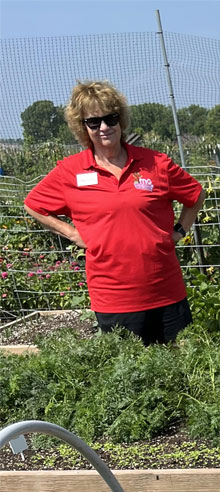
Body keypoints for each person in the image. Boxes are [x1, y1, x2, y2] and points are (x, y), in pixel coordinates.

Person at [24, 81, 205, 345]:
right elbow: (33, 204)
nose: (104, 128)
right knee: (127, 376)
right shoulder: (70, 171)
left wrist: (179, 231)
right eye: (94, 122)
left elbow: (195, 194)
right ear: (83, 128)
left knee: (181, 371)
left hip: (166, 291)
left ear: (121, 119)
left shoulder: (156, 163)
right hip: (114, 298)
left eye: (111, 118)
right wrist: (72, 233)